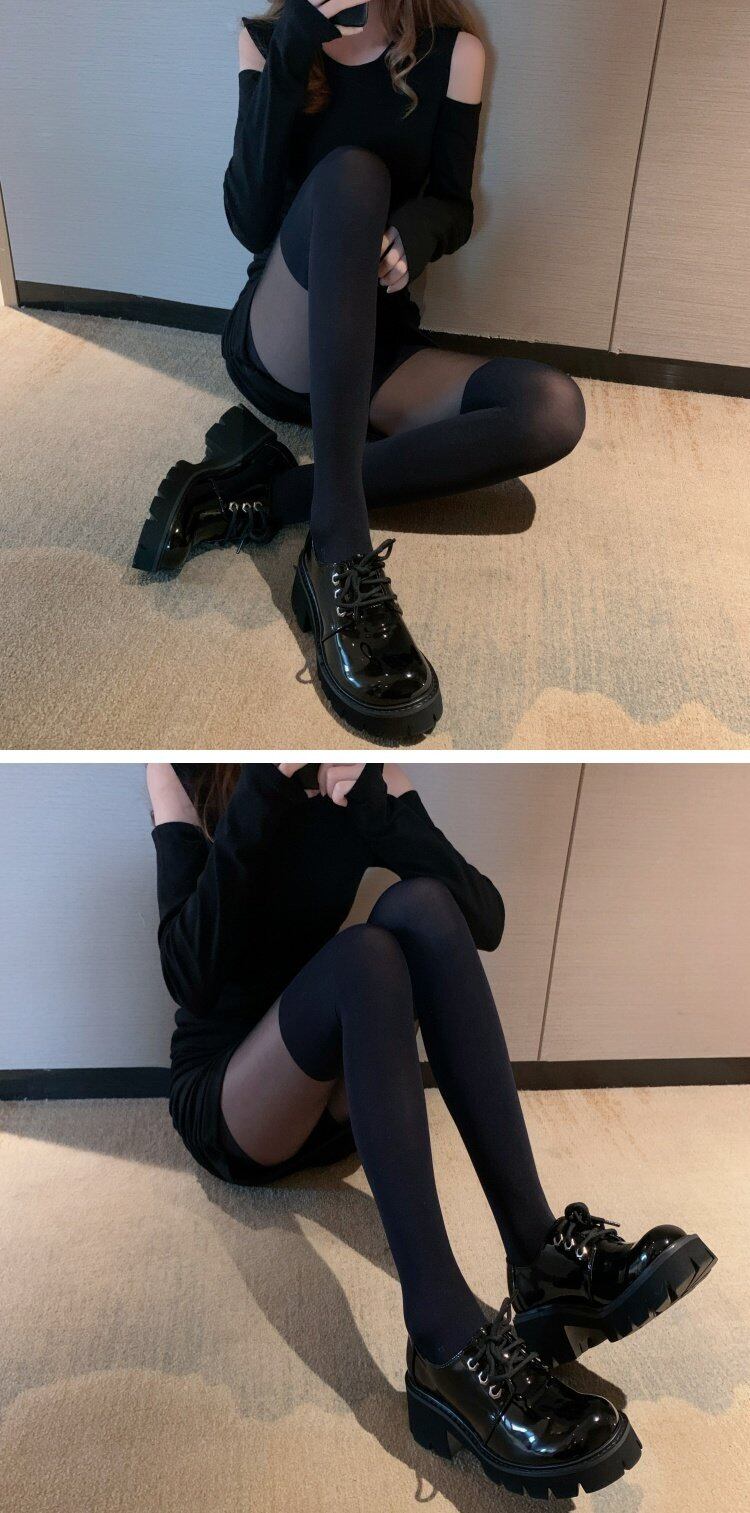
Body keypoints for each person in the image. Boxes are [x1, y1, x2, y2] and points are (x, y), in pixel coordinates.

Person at [146, 760, 716, 1498]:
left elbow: (483, 916)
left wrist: (376, 803)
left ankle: (540, 1256)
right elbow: (188, 974)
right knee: (362, 959)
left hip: (340, 1085)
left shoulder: (357, 760)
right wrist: (266, 786)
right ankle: (443, 1338)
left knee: (421, 905)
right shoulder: (182, 766)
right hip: (233, 1097)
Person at [133, 0, 587, 739]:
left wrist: (412, 233)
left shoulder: (453, 53)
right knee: (352, 174)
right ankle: (338, 547)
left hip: (376, 342)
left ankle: (270, 492)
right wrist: (292, 52)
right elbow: (250, 220)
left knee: (550, 409)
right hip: (280, 342)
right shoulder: (267, 43)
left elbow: (453, 205)